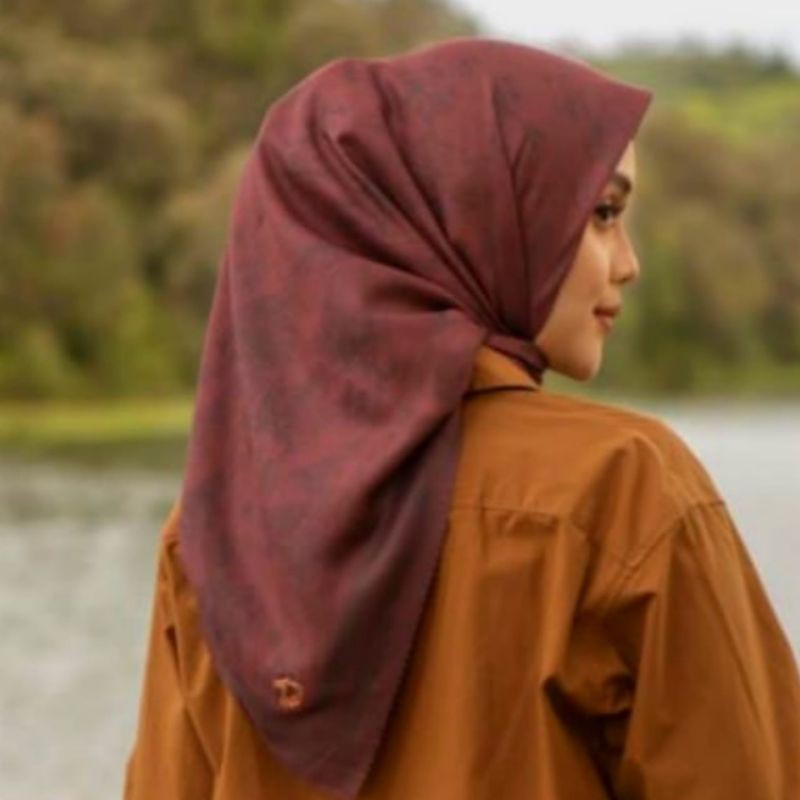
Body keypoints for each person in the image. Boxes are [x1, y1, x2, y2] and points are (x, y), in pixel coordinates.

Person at [123, 37, 800, 799]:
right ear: (478, 215)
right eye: (604, 214)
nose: (628, 262)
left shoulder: (213, 530)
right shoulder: (620, 489)